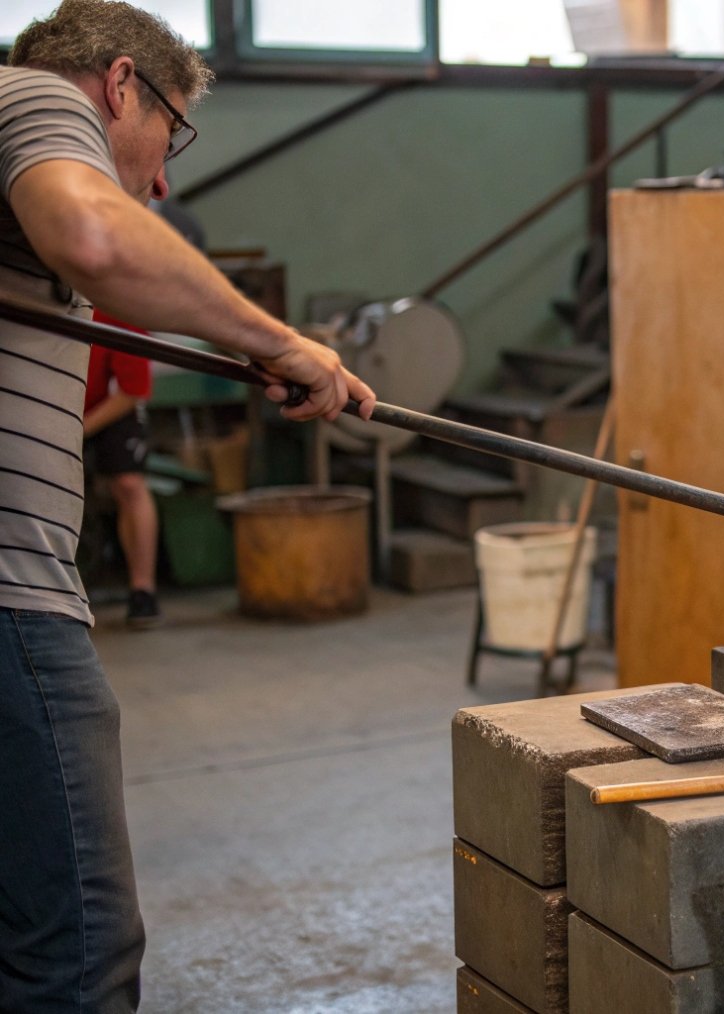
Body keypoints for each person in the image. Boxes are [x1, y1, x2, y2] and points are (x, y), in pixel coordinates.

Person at [0, 3, 376, 1011]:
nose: (164, 179)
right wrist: (277, 341)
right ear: (121, 85)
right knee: (76, 955)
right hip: (9, 605)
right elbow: (94, 232)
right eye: (173, 133)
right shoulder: (31, 96)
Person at [84, 316, 160, 628]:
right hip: (49, 404)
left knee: (129, 484)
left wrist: (78, 430)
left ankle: (143, 590)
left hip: (109, 406)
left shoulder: (117, 311)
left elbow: (132, 390)